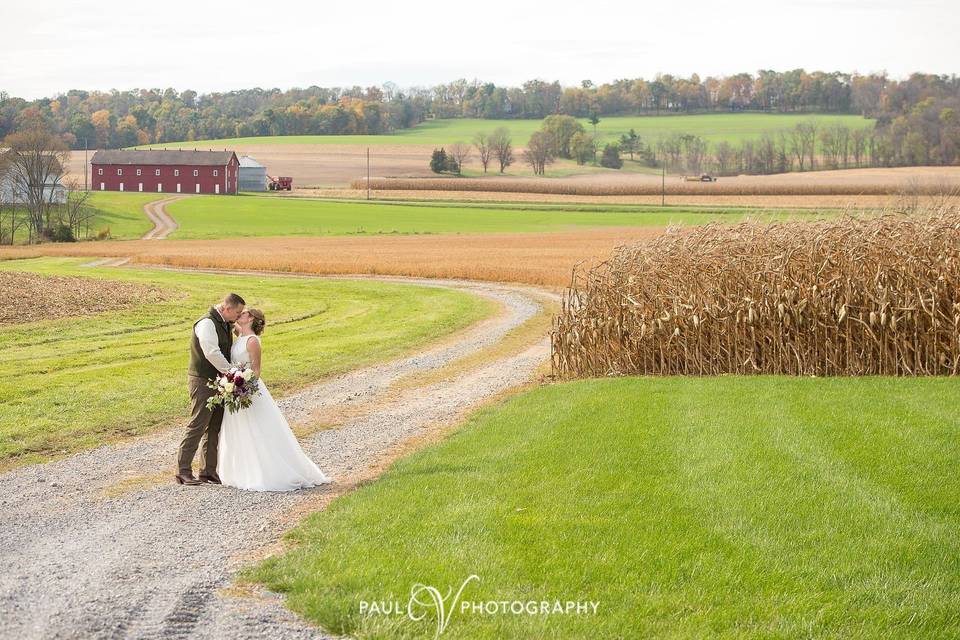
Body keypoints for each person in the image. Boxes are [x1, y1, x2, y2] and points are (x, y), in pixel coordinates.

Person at [218, 308, 332, 491]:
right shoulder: (240, 333)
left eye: (245, 313)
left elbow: (256, 370)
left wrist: (242, 386)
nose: (241, 314)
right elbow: (228, 318)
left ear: (252, 319)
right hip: (236, 387)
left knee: (258, 428)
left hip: (249, 389)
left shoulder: (253, 341)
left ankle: (268, 471)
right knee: (240, 427)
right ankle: (241, 471)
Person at [175, 293, 245, 485]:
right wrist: (232, 373)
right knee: (198, 424)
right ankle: (183, 470)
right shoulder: (206, 323)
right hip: (203, 380)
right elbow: (211, 352)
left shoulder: (225, 322)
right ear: (227, 308)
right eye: (237, 313)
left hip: (221, 381)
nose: (238, 316)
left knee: (214, 426)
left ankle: (208, 471)